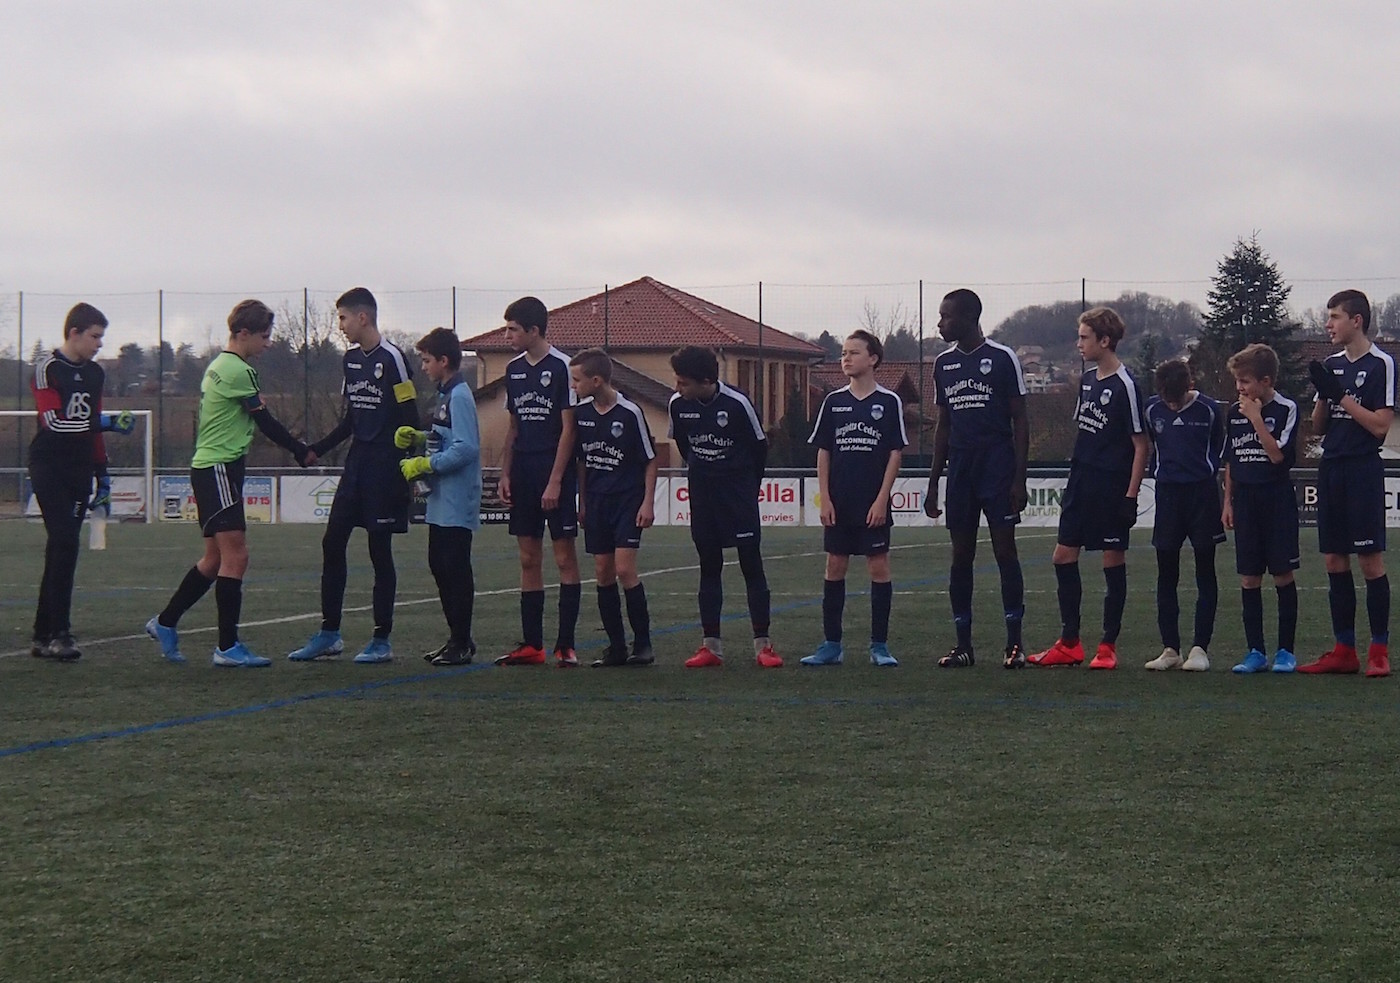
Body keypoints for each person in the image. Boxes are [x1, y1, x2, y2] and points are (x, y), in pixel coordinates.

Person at [146, 300, 311, 667]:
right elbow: (265, 421)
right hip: (218, 468)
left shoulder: (218, 366)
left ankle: (166, 622)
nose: (268, 343)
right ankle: (227, 647)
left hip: (213, 467)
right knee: (236, 556)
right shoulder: (238, 371)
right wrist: (300, 449)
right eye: (264, 336)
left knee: (214, 559)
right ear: (243, 333)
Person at [287, 287, 419, 665]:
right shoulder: (350, 361)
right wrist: (317, 449)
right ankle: (329, 633)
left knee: (379, 551)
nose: (340, 326)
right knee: (332, 542)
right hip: (357, 464)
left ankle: (381, 639)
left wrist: (410, 466)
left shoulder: (393, 359)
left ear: (363, 317)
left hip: (386, 467)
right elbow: (351, 419)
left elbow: (410, 416)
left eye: (343, 318)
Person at [1029, 307, 1150, 670]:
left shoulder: (1126, 386)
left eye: (1084, 337)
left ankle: (1108, 646)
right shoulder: (1086, 380)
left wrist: (1130, 496)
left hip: (1112, 485)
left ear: (1105, 340)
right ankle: (1069, 643)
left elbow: (1141, 445)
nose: (1078, 344)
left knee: (1112, 559)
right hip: (1081, 480)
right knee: (1062, 556)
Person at [924, 289, 1030, 669]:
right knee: (960, 555)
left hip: (997, 467)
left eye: (947, 316)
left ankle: (1014, 645)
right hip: (961, 471)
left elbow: (1020, 419)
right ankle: (963, 646)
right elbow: (943, 425)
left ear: (970, 317)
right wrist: (934, 481)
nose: (940, 323)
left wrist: (1019, 478)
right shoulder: (943, 364)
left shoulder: (1002, 358)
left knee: (1004, 551)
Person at [28, 303, 136, 662]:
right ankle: (59, 633)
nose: (99, 344)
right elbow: (54, 423)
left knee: (63, 548)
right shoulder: (47, 369)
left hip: (79, 469)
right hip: (49, 466)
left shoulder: (94, 373)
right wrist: (105, 423)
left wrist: (102, 474)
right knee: (64, 540)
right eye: (95, 336)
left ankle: (44, 633)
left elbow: (92, 427)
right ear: (74, 333)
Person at [667, 345, 783, 669]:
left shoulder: (737, 404)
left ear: (706, 381)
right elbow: (684, 446)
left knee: (750, 563)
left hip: (737, 495)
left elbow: (759, 448)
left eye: (683, 382)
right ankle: (711, 647)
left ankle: (763, 645)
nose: (677, 388)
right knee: (709, 565)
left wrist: (745, 486)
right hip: (702, 493)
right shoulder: (677, 405)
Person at [1302, 289, 1395, 676]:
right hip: (1332, 467)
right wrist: (1324, 395)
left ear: (1356, 321)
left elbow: (1380, 426)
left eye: (1335, 317)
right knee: (1333, 559)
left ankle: (1378, 651)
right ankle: (1344, 650)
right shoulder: (1332, 363)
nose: (1328, 324)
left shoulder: (1381, 364)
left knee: (1370, 561)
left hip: (1362, 468)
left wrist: (1340, 395)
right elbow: (1317, 427)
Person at [802, 329, 907, 668]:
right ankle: (832, 645)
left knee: (878, 566)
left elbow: (895, 453)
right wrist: (825, 498)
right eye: (844, 353)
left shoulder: (888, 402)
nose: (845, 358)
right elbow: (824, 452)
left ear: (873, 358)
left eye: (854, 352)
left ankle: (880, 646)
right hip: (840, 502)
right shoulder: (834, 402)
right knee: (835, 565)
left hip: (871, 502)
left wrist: (881, 500)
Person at [495, 297, 583, 668]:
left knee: (564, 557)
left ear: (534, 330)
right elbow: (513, 427)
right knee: (528, 558)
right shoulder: (513, 370)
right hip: (523, 473)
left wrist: (556, 480)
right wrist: (505, 472)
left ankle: (566, 645)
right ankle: (533, 644)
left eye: (513, 329)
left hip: (554, 471)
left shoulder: (563, 367)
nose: (507, 336)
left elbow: (569, 429)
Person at [567, 348, 659, 667]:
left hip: (627, 501)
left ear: (596, 380)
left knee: (624, 569)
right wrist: (583, 501)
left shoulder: (630, 412)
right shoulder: (581, 414)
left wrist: (648, 502)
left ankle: (643, 645)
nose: (573, 386)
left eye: (577, 380)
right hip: (597, 502)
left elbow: (650, 460)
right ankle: (616, 647)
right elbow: (581, 461)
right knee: (602, 572)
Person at [398, 327, 482, 666]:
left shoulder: (459, 396)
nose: (423, 366)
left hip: (456, 498)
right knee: (439, 564)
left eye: (427, 360)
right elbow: (446, 437)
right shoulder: (446, 394)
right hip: (441, 499)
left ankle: (461, 641)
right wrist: (420, 438)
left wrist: (426, 464)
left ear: (444, 361)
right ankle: (457, 638)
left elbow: (466, 448)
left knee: (454, 568)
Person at [1142, 359, 1226, 672]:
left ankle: (1200, 649)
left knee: (1205, 570)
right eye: (1167, 399)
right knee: (1166, 573)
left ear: (1189, 385)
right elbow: (1149, 444)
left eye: (1176, 398)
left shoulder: (1209, 410)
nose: (1172, 405)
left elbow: (1219, 447)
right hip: (1167, 495)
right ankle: (1170, 649)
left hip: (1202, 495)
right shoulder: (1152, 409)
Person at [1222, 344, 1301, 674]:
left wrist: (1256, 419)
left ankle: (1285, 652)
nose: (1239, 388)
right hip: (1246, 501)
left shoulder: (1286, 409)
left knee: (1282, 575)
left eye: (1245, 381)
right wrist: (1228, 501)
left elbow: (1277, 455)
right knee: (1249, 577)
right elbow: (1231, 460)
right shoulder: (1233, 413)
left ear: (1266, 381)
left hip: (1276, 500)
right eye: (1237, 381)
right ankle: (1255, 651)